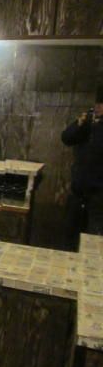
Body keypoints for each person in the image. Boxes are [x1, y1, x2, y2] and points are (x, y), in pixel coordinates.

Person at [62, 86, 103, 250]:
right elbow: (66, 138)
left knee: (93, 242)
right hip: (78, 191)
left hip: (99, 194)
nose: (98, 107)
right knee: (70, 239)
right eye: (97, 103)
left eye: (101, 104)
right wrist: (80, 124)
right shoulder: (88, 123)